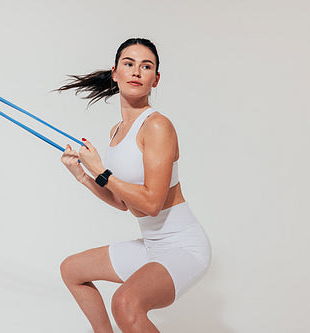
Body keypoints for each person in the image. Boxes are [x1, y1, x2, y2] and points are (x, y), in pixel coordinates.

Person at [58, 38, 211, 333]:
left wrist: (101, 171)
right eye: (129, 64)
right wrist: (83, 176)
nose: (137, 71)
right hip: (151, 245)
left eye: (146, 66)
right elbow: (123, 202)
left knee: (125, 303)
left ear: (156, 79)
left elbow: (152, 204)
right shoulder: (116, 132)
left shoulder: (157, 126)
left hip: (183, 247)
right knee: (72, 270)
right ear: (115, 73)